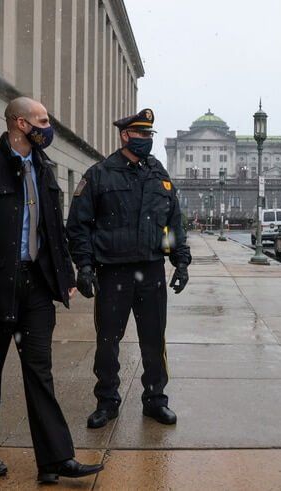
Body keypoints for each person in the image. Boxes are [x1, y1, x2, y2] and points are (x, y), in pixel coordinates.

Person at [0, 97, 103, 483]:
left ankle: (54, 459)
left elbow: (53, 231)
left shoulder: (45, 170)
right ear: (19, 123)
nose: (48, 127)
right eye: (42, 120)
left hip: (35, 286)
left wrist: (65, 275)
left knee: (39, 372)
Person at [66, 108, 191, 429]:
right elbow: (78, 225)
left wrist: (181, 261)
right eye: (141, 135)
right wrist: (84, 265)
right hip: (113, 272)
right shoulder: (100, 174)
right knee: (108, 340)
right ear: (125, 135)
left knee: (154, 339)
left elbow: (173, 223)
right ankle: (107, 401)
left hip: (151, 272)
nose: (147, 140)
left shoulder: (158, 174)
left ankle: (155, 399)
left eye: (150, 135)